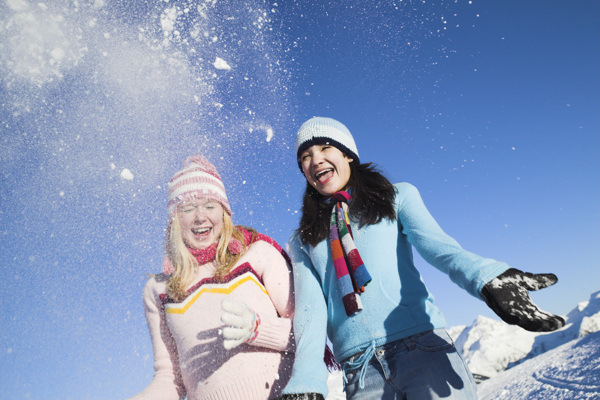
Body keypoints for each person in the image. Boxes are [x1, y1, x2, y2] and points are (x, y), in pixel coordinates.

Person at [280, 117, 565, 400]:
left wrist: (487, 277)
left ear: (348, 155)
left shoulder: (396, 197)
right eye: (305, 156)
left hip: (423, 350)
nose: (315, 159)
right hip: (360, 372)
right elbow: (310, 310)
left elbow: (442, 250)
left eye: (326, 147)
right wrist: (305, 378)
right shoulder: (303, 239)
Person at [128, 155, 295, 400]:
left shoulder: (257, 254)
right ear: (174, 220)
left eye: (209, 205)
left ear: (224, 211)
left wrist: (259, 329)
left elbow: (309, 332)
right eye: (187, 208)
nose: (199, 217)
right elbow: (170, 378)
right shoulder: (159, 290)